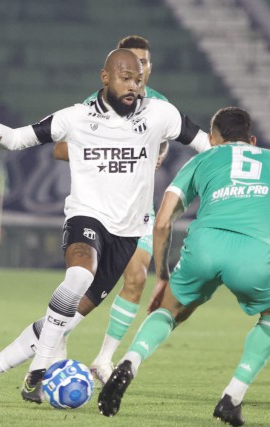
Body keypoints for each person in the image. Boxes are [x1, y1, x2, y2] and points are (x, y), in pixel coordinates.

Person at [0, 48, 212, 405]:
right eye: (125, 78)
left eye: (138, 80)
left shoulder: (159, 114)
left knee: (60, 323)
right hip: (86, 217)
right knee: (78, 276)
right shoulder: (75, 117)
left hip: (127, 234)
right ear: (105, 77)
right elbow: (15, 139)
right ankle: (39, 371)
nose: (133, 86)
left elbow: (207, 145)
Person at [97, 107, 270, 427]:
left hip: (204, 246)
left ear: (213, 140)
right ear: (252, 140)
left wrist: (163, 277)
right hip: (255, 256)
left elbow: (162, 223)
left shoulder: (202, 159)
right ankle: (232, 397)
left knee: (170, 309)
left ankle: (129, 362)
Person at [53, 35, 170, 384]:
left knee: (137, 278)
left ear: (149, 68)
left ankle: (104, 360)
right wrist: (110, 148)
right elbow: (60, 148)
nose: (138, 68)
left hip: (139, 211)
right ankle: (57, 332)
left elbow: (167, 142)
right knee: (86, 281)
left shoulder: (160, 105)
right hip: (99, 209)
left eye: (144, 62)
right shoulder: (96, 103)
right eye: (131, 62)